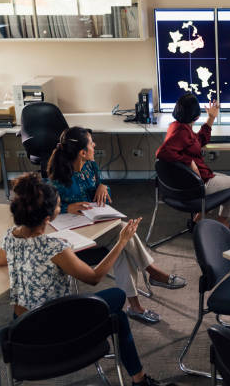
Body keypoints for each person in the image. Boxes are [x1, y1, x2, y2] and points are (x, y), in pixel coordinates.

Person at [0, 173, 175, 386]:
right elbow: (94, 278)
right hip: (58, 331)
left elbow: (0, 260)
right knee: (117, 297)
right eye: (57, 207)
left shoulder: (10, 236)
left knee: (117, 315)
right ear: (47, 219)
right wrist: (121, 241)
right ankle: (140, 380)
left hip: (23, 332)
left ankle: (140, 379)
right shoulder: (55, 248)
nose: (59, 208)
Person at [47, 126, 186, 324]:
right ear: (82, 152)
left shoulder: (91, 166)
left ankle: (135, 307)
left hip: (96, 226)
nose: (95, 145)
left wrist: (104, 186)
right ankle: (153, 272)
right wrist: (66, 207)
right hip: (75, 238)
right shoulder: (59, 178)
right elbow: (41, 207)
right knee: (122, 232)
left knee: (122, 246)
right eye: (91, 143)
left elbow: (102, 190)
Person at [155, 93, 230, 234]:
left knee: (221, 181)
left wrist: (211, 118)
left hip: (180, 185)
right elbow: (161, 153)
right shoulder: (181, 133)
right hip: (196, 185)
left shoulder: (177, 127)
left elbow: (198, 140)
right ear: (196, 116)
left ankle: (197, 220)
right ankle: (223, 222)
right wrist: (189, 162)